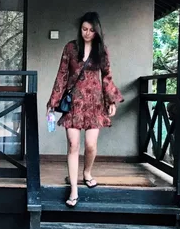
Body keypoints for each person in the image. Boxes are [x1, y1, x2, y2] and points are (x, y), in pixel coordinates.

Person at [47, 12, 124, 207]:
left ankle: (87, 173)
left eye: (90, 30)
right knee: (73, 145)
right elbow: (62, 76)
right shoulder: (71, 48)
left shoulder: (102, 51)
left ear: (97, 31)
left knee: (90, 145)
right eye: (84, 29)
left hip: (94, 104)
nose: (87, 33)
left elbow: (107, 77)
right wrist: (53, 102)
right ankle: (74, 189)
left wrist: (111, 101)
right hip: (74, 103)